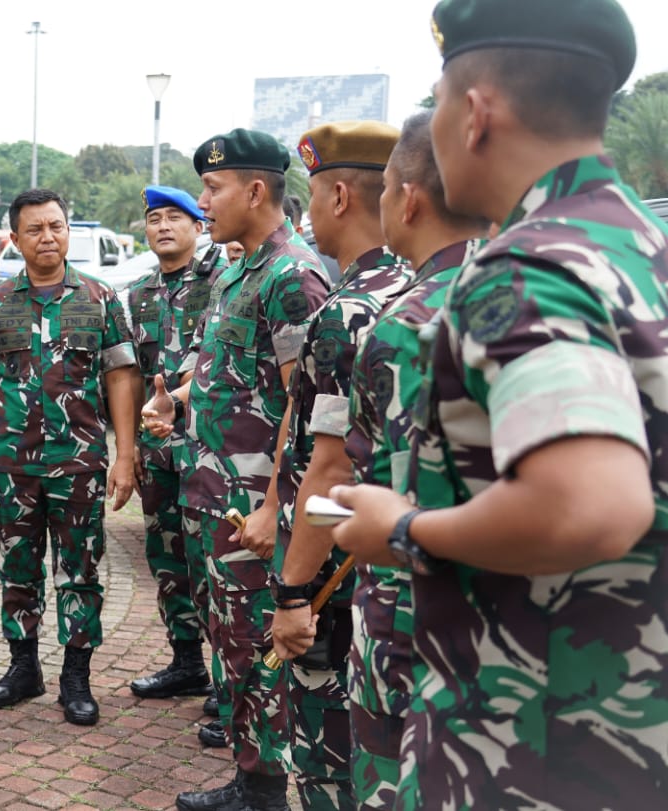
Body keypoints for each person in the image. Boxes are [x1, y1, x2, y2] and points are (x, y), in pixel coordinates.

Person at [330, 1, 668, 808]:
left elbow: (588, 503)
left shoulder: (529, 267)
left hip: (533, 745)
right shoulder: (639, 247)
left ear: (476, 114)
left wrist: (405, 530)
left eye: (441, 103)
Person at [142, 129, 330, 811]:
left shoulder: (293, 277)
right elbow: (230, 375)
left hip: (255, 508)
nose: (202, 201)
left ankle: (270, 787)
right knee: (236, 648)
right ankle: (251, 776)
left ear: (256, 190)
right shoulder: (235, 269)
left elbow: (303, 407)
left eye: (213, 188)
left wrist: (270, 507)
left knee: (261, 647)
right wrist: (179, 400)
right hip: (213, 495)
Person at [339, 110, 486, 811]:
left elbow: (375, 480)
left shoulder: (406, 323)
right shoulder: (532, 293)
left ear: (408, 198)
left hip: (410, 619)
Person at [268, 120, 412, 810]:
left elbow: (326, 470)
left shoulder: (346, 313)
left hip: (336, 580)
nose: (308, 214)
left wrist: (293, 591)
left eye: (312, 195)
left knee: (329, 761)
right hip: (402, 570)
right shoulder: (426, 290)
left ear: (340, 199)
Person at [0, 188, 139, 727]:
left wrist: (125, 454)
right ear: (15, 238)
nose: (48, 237)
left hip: (79, 463)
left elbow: (120, 380)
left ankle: (76, 676)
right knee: (18, 568)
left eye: (56, 226)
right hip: (12, 465)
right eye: (35, 229)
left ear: (68, 231)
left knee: (80, 571)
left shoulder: (100, 298)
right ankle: (23, 668)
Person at [124, 185, 223, 702]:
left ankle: (227, 678)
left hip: (209, 449)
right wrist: (133, 447)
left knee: (212, 561)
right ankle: (186, 662)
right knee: (167, 558)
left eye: (174, 217)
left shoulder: (222, 282)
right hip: (159, 448)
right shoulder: (138, 295)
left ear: (197, 226)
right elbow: (136, 377)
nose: (163, 226)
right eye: (154, 218)